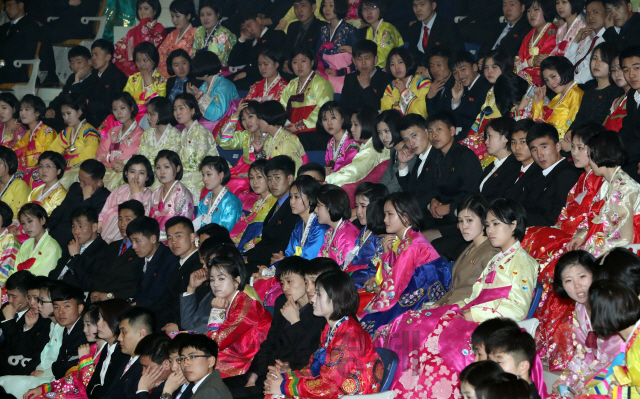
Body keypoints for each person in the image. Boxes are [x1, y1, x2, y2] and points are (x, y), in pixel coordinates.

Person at [374, 198, 538, 397]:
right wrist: (453, 309)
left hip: (490, 326)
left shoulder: (523, 261)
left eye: (496, 224)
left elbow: (517, 309)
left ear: (513, 225)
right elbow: (474, 297)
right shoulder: (499, 258)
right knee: (412, 323)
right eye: (488, 225)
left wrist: (471, 314)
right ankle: (400, 385)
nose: (491, 230)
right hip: (473, 316)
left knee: (427, 339)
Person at [263, 270, 382, 397]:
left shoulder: (350, 335)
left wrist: (283, 386)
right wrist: (286, 376)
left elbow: (329, 385)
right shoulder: (331, 329)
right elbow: (315, 370)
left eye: (318, 294)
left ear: (336, 297)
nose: (312, 299)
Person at [225, 257, 327, 398]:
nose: (285, 288)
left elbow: (306, 356)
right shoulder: (282, 301)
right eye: (282, 282)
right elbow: (269, 343)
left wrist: (295, 322)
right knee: (209, 387)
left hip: (288, 381)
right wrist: (253, 376)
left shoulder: (318, 313)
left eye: (290, 281)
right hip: (263, 374)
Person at [545, 251, 622, 395]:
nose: (577, 285)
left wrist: (594, 390)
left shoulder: (614, 308)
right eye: (568, 280)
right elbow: (582, 353)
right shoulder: (579, 309)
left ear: (595, 275)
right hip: (592, 375)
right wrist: (565, 381)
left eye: (582, 276)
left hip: (617, 378)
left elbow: (625, 359)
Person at [360, 191, 441, 315]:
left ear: (405, 217)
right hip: (413, 292)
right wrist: (387, 253)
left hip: (422, 297)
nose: (385, 219)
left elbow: (396, 284)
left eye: (390, 214)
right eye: (385, 214)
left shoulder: (411, 245)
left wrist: (380, 294)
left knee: (368, 319)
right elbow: (394, 277)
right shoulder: (407, 240)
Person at [423, 111, 483, 260]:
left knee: (426, 242)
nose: (433, 135)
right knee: (412, 229)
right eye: (430, 131)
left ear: (452, 131)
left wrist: (449, 208)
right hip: (440, 215)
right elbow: (431, 187)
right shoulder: (436, 156)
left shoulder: (465, 157)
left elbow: (474, 194)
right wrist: (433, 200)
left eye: (438, 129)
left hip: (461, 219)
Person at [205, 256, 272, 378]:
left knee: (200, 363)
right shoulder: (233, 302)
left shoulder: (246, 307)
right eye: (212, 280)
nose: (215, 284)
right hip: (236, 354)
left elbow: (215, 343)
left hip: (249, 361)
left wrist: (216, 311)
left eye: (221, 279)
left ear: (237, 281)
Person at [23, 304, 102, 399]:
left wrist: (85, 360)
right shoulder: (93, 349)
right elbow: (72, 379)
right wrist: (45, 388)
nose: (84, 329)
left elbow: (87, 388)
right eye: (84, 324)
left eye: (88, 325)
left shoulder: (101, 352)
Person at [0, 278, 62, 397]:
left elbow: (21, 349)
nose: (34, 303)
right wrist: (28, 327)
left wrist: (9, 321)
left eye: (38, 299)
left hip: (37, 375)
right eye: (30, 298)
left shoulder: (47, 321)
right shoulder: (33, 317)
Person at [434, 196, 500, 306]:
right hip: (452, 307)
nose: (463, 226)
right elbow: (457, 290)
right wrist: (438, 304)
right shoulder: (471, 246)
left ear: (484, 221)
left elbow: (487, 298)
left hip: (465, 313)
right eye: (460, 221)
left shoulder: (491, 253)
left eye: (469, 220)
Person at [461, 52, 524, 164]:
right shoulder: (490, 91)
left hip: (499, 141)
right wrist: (471, 138)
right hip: (483, 137)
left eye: (494, 67)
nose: (489, 71)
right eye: (486, 67)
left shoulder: (512, 88)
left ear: (506, 67)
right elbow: (479, 119)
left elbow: (515, 119)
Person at [244, 156, 300, 277]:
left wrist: (248, 258)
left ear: (290, 178)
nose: (272, 183)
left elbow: (280, 245)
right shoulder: (277, 204)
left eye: (277, 178)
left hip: (272, 264)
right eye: (269, 178)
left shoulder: (293, 208)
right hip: (260, 259)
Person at [521, 122, 582, 226]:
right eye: (534, 150)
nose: (539, 154)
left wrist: (516, 220)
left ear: (558, 146)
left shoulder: (567, 174)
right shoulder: (536, 173)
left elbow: (556, 218)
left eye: (544, 147)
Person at [325, 107, 390, 201]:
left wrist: (327, 180)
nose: (351, 129)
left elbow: (354, 171)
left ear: (367, 124)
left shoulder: (373, 148)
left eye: (356, 125)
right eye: (351, 124)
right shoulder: (370, 144)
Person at [48, 159, 111, 253]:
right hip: (54, 234)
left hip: (73, 241)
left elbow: (86, 223)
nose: (81, 185)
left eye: (85, 182)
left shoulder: (106, 198)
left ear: (98, 183)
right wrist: (46, 228)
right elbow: (60, 210)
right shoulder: (75, 188)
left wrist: (87, 198)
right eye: (80, 179)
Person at [215, 100, 269, 209]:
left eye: (250, 117)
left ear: (260, 116)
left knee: (231, 183)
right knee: (216, 181)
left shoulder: (269, 136)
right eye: (243, 119)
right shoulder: (245, 135)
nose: (247, 122)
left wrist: (250, 174)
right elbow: (222, 141)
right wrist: (235, 115)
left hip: (259, 173)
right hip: (241, 170)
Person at [90, 201, 146, 302]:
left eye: (128, 219)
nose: (122, 224)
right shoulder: (112, 246)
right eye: (120, 219)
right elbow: (99, 274)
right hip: (99, 299)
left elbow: (135, 285)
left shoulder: (142, 250)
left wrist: (108, 296)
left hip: (119, 302)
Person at [156, 216, 201, 333]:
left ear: (192, 237)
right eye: (169, 238)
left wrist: (180, 327)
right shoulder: (176, 264)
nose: (173, 242)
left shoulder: (199, 265)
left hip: (182, 328)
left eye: (178, 236)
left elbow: (198, 303)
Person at [0, 272, 49, 376]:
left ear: (27, 295)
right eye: (8, 295)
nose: (10, 300)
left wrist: (9, 321)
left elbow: (19, 350)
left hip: (13, 370)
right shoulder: (5, 308)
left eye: (14, 296)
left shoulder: (40, 318)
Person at [48, 207, 108, 292]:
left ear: (94, 227)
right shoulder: (71, 243)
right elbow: (56, 272)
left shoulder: (103, 250)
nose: (76, 231)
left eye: (80, 226)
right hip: (54, 290)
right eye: (74, 226)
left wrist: (75, 257)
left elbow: (90, 283)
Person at [47, 94, 101, 187]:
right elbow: (54, 149)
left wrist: (63, 164)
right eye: (63, 114)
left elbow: (89, 155)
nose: (65, 118)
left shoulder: (90, 132)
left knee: (59, 179)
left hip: (80, 169)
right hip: (65, 167)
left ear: (79, 112)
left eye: (68, 113)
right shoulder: (67, 131)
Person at [101, 306, 154, 399]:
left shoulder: (146, 367)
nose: (119, 338)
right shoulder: (121, 358)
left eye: (124, 332)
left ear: (141, 333)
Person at [279, 46, 334, 136]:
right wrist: (287, 124)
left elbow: (323, 110)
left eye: (303, 61)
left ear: (312, 62)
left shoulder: (321, 83)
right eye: (295, 62)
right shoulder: (291, 84)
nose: (299, 66)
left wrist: (299, 126)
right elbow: (282, 106)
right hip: (291, 129)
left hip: (314, 131)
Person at [96, 92, 145, 191]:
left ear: (131, 108)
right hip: (107, 168)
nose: (118, 112)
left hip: (122, 171)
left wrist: (123, 165)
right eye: (115, 109)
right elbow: (101, 151)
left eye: (122, 108)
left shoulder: (140, 134)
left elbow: (131, 155)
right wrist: (111, 162)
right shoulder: (113, 131)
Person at [98, 156, 153, 244]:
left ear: (147, 177)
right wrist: (99, 224)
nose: (136, 177)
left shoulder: (149, 195)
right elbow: (105, 209)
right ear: (126, 173)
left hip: (130, 240)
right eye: (132, 172)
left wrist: (136, 195)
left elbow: (141, 220)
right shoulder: (119, 190)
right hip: (107, 233)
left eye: (141, 173)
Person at [174, 93, 220, 196]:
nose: (177, 112)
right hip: (188, 172)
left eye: (181, 108)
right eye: (175, 109)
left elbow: (198, 163)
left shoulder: (202, 132)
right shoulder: (184, 133)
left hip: (203, 174)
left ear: (193, 110)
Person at [343, 183, 388, 288]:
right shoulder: (364, 229)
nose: (358, 211)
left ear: (376, 206)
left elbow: (377, 271)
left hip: (366, 284)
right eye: (357, 206)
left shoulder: (381, 235)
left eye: (363, 206)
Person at [127, 216, 179, 308]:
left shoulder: (169, 259)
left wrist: (138, 305)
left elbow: (165, 296)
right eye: (132, 241)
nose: (133, 246)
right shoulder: (138, 258)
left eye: (137, 241)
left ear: (153, 239)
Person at [228, 12, 287, 90]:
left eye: (249, 25)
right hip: (248, 76)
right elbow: (233, 62)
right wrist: (242, 39)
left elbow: (273, 60)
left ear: (258, 20)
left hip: (262, 76)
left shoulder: (275, 35)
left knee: (231, 87)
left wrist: (247, 73)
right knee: (222, 83)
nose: (248, 30)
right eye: (244, 30)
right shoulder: (249, 42)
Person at [43, 46, 94, 133]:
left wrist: (77, 79)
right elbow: (62, 97)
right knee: (43, 121)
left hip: (82, 118)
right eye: (72, 63)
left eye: (79, 62)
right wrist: (50, 109)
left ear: (89, 62)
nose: (75, 67)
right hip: (66, 115)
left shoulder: (95, 78)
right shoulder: (71, 78)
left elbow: (79, 101)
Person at [446, 50, 494, 142]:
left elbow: (471, 121)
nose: (460, 75)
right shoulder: (463, 89)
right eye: (455, 73)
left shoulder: (485, 87)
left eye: (463, 69)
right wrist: (456, 100)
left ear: (475, 67)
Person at [573, 42, 625, 126]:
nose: (597, 63)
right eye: (594, 58)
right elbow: (578, 120)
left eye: (603, 59)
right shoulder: (588, 93)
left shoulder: (617, 92)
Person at [396, 113, 439, 214]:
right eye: (406, 140)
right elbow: (409, 191)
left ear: (427, 131)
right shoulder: (419, 158)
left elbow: (435, 192)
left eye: (414, 136)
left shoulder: (438, 156)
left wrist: (407, 209)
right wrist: (403, 164)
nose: (411, 143)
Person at [532, 57, 584, 140]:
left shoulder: (575, 94)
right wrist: (538, 102)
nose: (550, 83)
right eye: (547, 80)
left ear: (565, 71)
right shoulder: (557, 98)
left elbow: (574, 125)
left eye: (553, 76)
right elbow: (539, 125)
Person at [113, 0, 167, 77]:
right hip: (132, 64)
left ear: (155, 11)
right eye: (140, 8)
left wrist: (144, 22)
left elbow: (147, 47)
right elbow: (120, 47)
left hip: (147, 65)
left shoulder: (159, 29)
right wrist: (122, 58)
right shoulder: (132, 31)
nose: (142, 12)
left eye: (146, 8)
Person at [186, 51, 240, 128]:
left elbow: (216, 114)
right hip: (212, 123)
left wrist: (199, 95)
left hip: (224, 125)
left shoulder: (224, 85)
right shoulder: (205, 85)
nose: (193, 70)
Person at [149, 150, 194, 241]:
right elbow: (147, 218)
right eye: (158, 168)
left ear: (177, 168)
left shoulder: (183, 194)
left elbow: (181, 226)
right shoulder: (155, 193)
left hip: (175, 240)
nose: (162, 172)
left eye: (166, 167)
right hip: (155, 240)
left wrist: (157, 238)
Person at [315, 0, 358, 94]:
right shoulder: (323, 30)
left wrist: (339, 72)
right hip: (325, 73)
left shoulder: (349, 30)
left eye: (331, 5)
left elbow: (359, 57)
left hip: (345, 75)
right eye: (324, 5)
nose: (326, 9)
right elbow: (317, 54)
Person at [339, 40, 393, 115]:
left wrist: (367, 88)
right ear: (354, 61)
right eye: (359, 59)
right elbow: (344, 107)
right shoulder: (350, 78)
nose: (363, 63)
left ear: (375, 59)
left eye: (367, 58)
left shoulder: (386, 79)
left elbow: (379, 108)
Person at [233, 160, 278, 249]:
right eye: (251, 178)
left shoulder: (274, 202)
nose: (255, 182)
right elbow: (246, 229)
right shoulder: (258, 203)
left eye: (259, 177)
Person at [84, 40, 128, 129]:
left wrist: (90, 104)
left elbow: (114, 105)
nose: (93, 58)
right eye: (92, 55)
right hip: (90, 120)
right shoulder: (94, 74)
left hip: (108, 123)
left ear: (108, 57)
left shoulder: (118, 76)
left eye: (96, 54)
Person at [255, 101, 309, 171]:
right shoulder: (268, 138)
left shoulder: (288, 141)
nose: (257, 122)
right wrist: (259, 152)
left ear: (269, 116)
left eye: (259, 118)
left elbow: (293, 172)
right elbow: (265, 167)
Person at [193, 156, 242, 232]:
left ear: (221, 175)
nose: (204, 179)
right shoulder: (204, 201)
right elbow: (197, 226)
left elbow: (225, 231)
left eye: (208, 174)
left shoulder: (231, 202)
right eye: (203, 175)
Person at [14, 95, 58, 181]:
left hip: (43, 171)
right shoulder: (26, 135)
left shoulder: (47, 132)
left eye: (27, 109)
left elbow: (49, 157)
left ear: (37, 112)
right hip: (27, 170)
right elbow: (16, 152)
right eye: (21, 109)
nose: (22, 113)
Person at [407, 0, 463, 67]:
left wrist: (430, 73)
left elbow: (457, 57)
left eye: (422, 4)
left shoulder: (448, 28)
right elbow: (411, 56)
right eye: (415, 5)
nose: (418, 9)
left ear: (433, 6)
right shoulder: (414, 28)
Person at [514, 0, 557, 86]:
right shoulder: (529, 35)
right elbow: (520, 56)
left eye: (536, 9)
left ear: (546, 10)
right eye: (529, 11)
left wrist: (523, 67)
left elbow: (540, 60)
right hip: (524, 76)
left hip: (543, 79)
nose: (531, 14)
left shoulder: (552, 32)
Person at [479, 118, 522, 202]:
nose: (486, 141)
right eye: (486, 137)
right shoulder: (491, 166)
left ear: (505, 137)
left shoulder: (514, 167)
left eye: (489, 136)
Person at [564, 0, 607, 86]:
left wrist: (569, 84)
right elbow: (568, 65)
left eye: (596, 12)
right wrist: (576, 41)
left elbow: (589, 71)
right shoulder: (592, 40)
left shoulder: (608, 39)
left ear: (608, 13)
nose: (590, 17)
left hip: (589, 85)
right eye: (588, 14)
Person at [137, 97, 182, 176]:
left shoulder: (176, 135)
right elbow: (140, 157)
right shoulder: (147, 133)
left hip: (165, 175)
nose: (148, 118)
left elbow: (169, 163)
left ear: (163, 114)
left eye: (152, 114)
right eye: (148, 114)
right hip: (146, 175)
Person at [178, 334, 233, 399]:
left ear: (210, 361)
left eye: (192, 357)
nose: (185, 364)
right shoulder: (208, 386)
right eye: (182, 358)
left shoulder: (209, 391)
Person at [316, 186, 359, 265]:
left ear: (330, 207)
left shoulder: (348, 235)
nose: (315, 210)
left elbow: (346, 268)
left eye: (318, 206)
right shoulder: (330, 231)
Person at [15, 203, 62, 277]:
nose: (26, 226)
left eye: (30, 221)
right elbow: (15, 270)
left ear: (42, 220)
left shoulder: (52, 248)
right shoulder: (26, 244)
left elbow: (44, 277)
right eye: (23, 223)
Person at [380, 48, 430, 117]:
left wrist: (404, 91)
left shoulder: (423, 83)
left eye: (400, 62)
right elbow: (385, 112)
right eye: (392, 64)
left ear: (409, 62)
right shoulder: (391, 86)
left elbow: (421, 113)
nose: (396, 67)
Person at [504, 119, 544, 204]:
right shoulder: (511, 169)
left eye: (522, 142)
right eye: (513, 142)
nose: (517, 147)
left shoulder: (540, 173)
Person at [376, 109, 415, 194]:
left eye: (386, 131)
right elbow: (387, 176)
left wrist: (376, 198)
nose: (383, 137)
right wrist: (374, 193)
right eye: (379, 132)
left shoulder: (409, 151)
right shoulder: (393, 150)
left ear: (396, 128)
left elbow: (396, 185)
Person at [0, 0, 38, 84]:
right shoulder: (4, 28)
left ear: (20, 5)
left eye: (9, 5)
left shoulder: (30, 26)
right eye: (5, 7)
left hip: (16, 69)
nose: (6, 9)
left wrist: (3, 62)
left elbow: (28, 52)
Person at [123, 42, 168, 114]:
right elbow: (126, 101)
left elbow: (158, 107)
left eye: (145, 60)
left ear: (154, 60)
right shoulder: (133, 78)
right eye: (138, 60)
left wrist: (149, 84)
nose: (141, 64)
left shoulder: (162, 80)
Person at [358, 0, 404, 69]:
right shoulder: (369, 30)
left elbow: (384, 58)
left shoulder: (388, 29)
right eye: (365, 8)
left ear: (381, 9)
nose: (369, 12)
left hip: (389, 70)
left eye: (373, 7)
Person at [157, 0, 197, 78]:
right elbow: (160, 53)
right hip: (165, 71)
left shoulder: (196, 34)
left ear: (188, 16)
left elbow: (190, 59)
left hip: (183, 75)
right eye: (172, 16)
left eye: (177, 16)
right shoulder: (172, 34)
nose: (174, 20)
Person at [193, 0, 238, 66]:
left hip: (218, 72)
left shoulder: (224, 34)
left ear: (217, 14)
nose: (205, 18)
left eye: (209, 14)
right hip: (200, 70)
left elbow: (223, 61)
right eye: (202, 15)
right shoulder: (199, 30)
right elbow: (194, 54)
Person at [619, 46, 640, 182]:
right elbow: (627, 130)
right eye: (626, 70)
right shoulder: (633, 94)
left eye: (636, 68)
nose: (631, 75)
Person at [320, 102, 360, 176]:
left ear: (342, 119)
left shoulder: (352, 142)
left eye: (333, 118)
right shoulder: (330, 142)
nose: (329, 123)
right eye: (325, 119)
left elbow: (351, 172)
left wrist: (333, 174)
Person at [25, 151, 68, 216]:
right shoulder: (35, 191)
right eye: (41, 166)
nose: (44, 170)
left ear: (58, 171)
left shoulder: (62, 194)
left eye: (49, 166)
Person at [132, 333, 173, 399]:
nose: (143, 373)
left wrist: (142, 391)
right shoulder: (141, 381)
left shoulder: (175, 387)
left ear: (166, 364)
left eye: (147, 367)